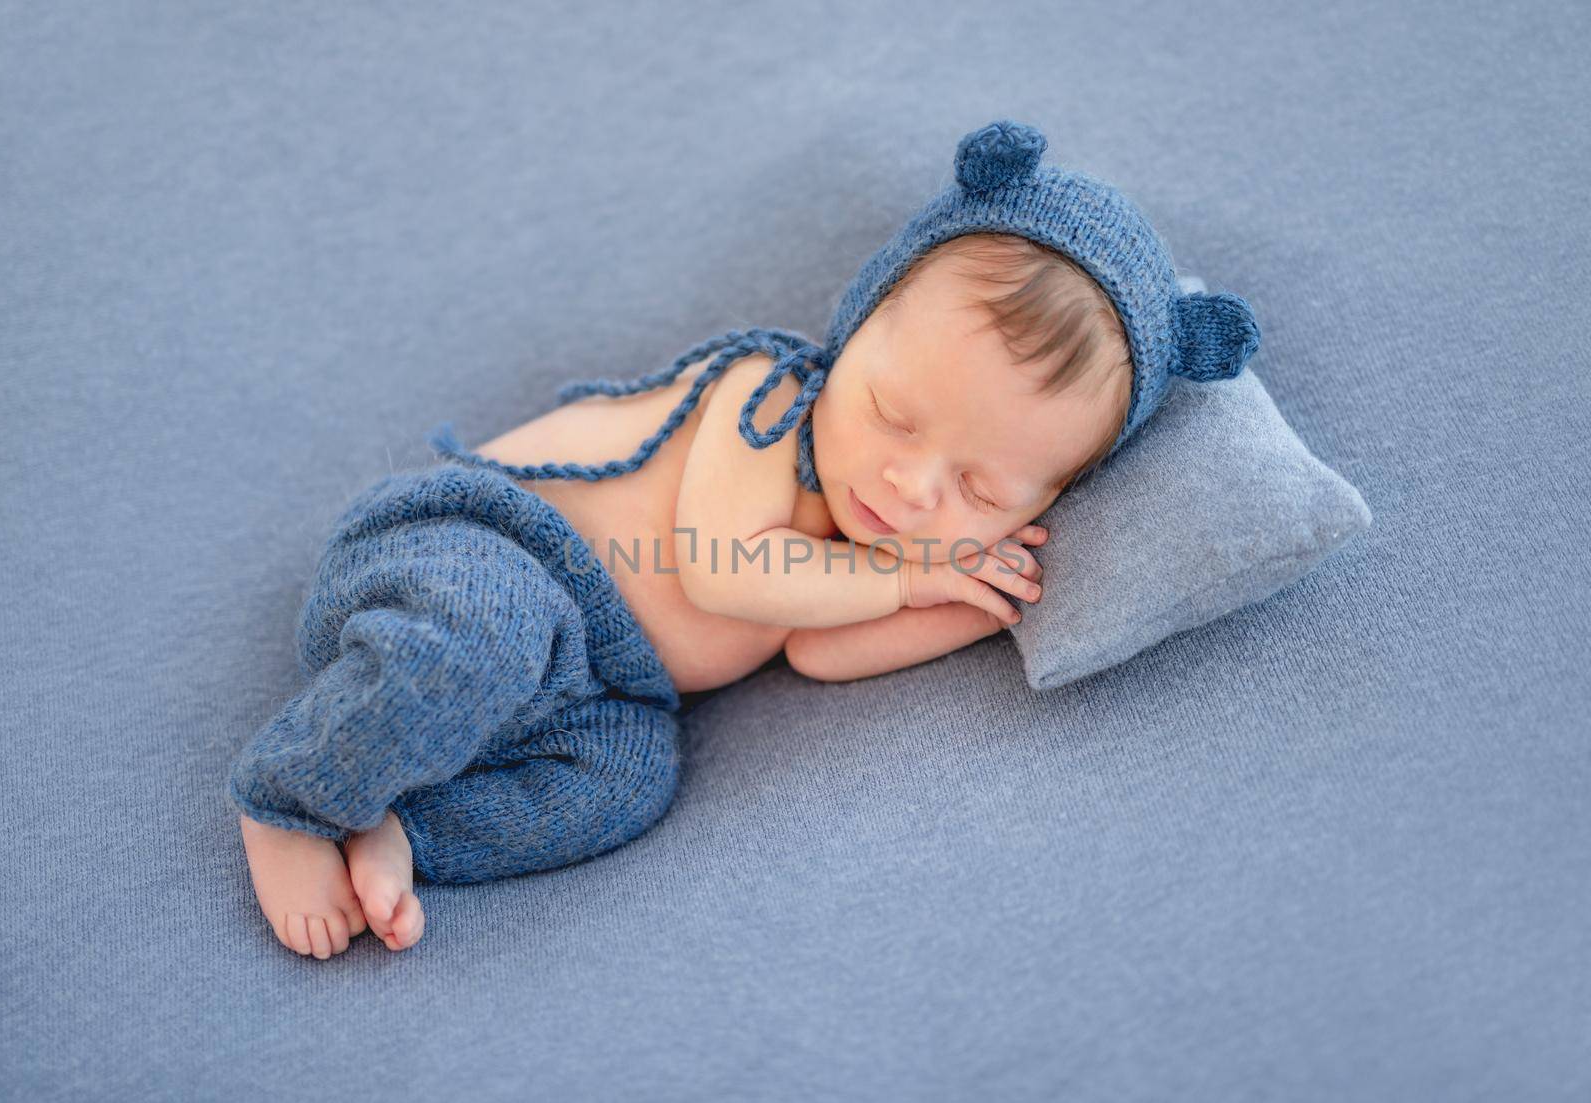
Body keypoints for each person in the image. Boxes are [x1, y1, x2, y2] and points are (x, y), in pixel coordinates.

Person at [228, 119, 1261, 959]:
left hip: (603, 686)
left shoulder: (892, 551)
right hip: (475, 553)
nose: (909, 486)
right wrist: (904, 576)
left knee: (630, 782)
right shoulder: (760, 397)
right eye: (893, 413)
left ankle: (403, 825)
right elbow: (731, 576)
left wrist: (959, 603)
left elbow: (818, 648)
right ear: (852, 330)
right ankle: (290, 796)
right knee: (483, 637)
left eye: (979, 485)